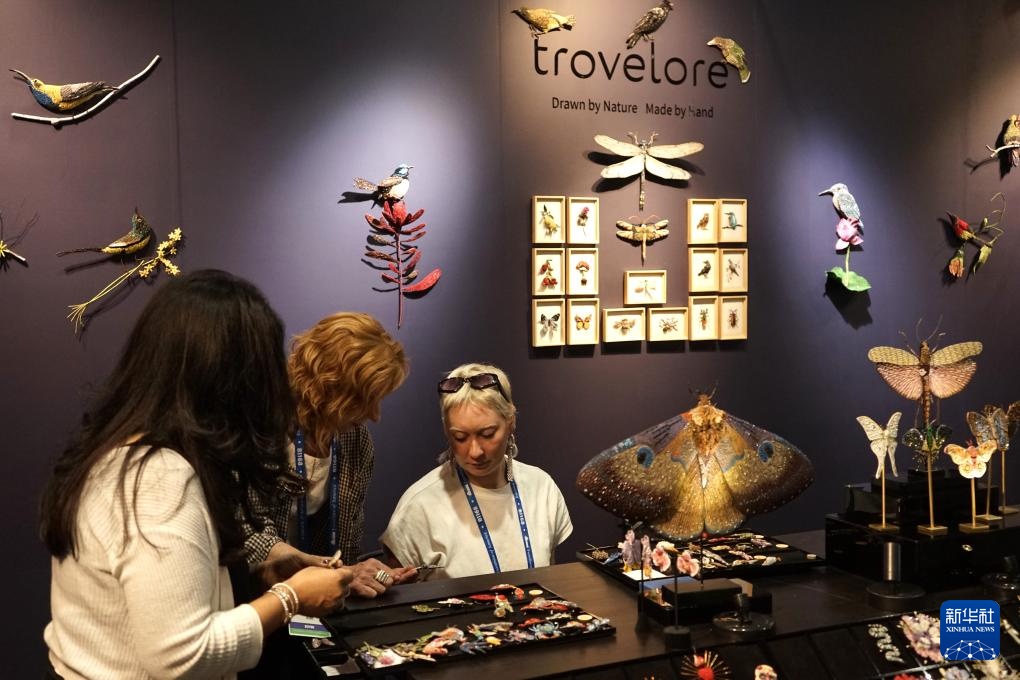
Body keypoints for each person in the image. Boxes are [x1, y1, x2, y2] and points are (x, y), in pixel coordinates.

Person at [40, 270, 352, 679]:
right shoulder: (158, 479)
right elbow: (182, 655)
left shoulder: (123, 453)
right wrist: (290, 598)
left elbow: (168, 598)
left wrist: (263, 572)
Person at [244, 312, 416, 598]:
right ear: (330, 386)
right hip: (253, 602)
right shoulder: (260, 429)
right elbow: (248, 535)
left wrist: (356, 574)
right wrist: (322, 571)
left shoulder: (356, 441)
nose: (375, 415)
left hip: (317, 606)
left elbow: (345, 545)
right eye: (364, 399)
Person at [381, 363, 572, 578]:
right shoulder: (418, 506)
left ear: (511, 422)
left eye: (487, 434)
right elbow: (399, 593)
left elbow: (549, 580)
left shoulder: (542, 488)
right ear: (447, 430)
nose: (475, 452)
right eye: (460, 437)